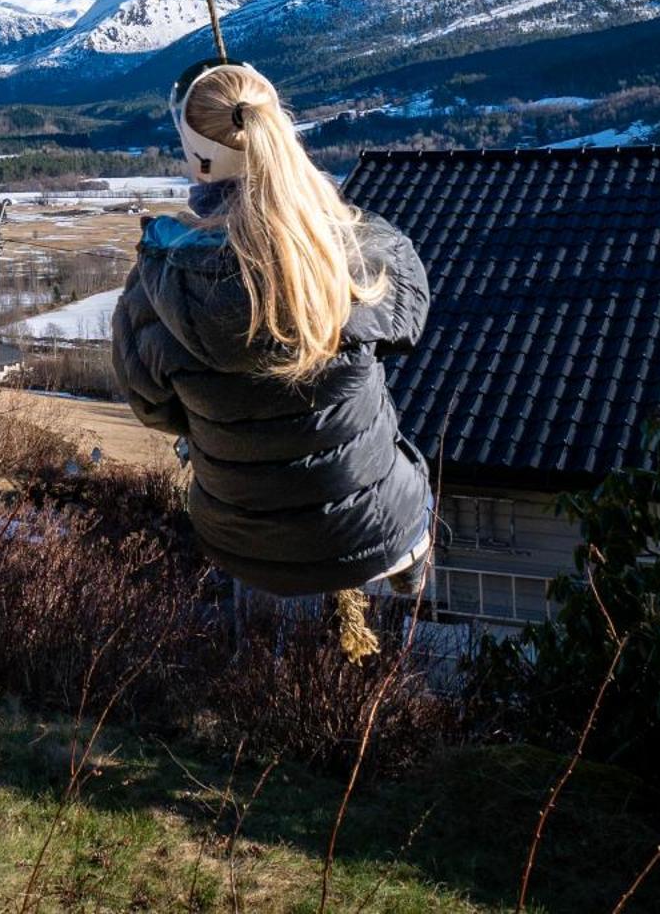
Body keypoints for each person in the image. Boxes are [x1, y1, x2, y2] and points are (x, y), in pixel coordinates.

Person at [110, 58, 433, 601]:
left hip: (238, 543)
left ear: (197, 160)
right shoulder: (356, 254)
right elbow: (409, 324)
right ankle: (408, 566)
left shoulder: (155, 291)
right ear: (277, 129)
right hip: (377, 531)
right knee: (403, 477)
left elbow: (153, 410)